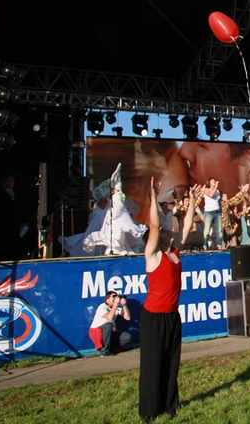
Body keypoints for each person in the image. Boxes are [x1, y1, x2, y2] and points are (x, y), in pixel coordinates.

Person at [139, 177, 182, 421]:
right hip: (154, 317)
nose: (166, 230)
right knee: (153, 364)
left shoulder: (173, 253)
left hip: (172, 316)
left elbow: (184, 227)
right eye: (162, 231)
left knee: (171, 362)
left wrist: (192, 201)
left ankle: (169, 405)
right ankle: (149, 411)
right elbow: (154, 228)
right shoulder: (152, 255)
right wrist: (153, 198)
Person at [88, 291, 133, 356]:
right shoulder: (102, 307)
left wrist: (124, 305)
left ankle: (111, 349)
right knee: (108, 325)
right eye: (113, 297)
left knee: (127, 337)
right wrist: (115, 305)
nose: (115, 298)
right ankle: (104, 351)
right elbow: (110, 318)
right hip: (98, 332)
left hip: (111, 332)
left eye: (116, 296)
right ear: (107, 300)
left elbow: (127, 318)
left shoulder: (117, 307)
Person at [201, 179, 223, 250]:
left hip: (217, 211)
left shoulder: (218, 191)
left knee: (219, 230)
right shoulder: (206, 190)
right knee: (207, 230)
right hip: (209, 212)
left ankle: (219, 245)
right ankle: (205, 245)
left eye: (215, 181)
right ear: (209, 183)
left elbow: (219, 201)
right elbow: (211, 195)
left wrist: (221, 211)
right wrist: (216, 186)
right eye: (212, 181)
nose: (214, 182)